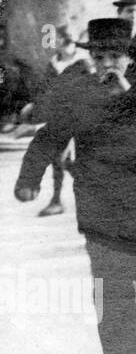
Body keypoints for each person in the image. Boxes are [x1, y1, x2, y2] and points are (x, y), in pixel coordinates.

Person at [14, 19, 136, 354]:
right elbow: (50, 137)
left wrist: (129, 96)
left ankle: (132, 341)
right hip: (98, 203)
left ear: (129, 58)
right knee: (108, 285)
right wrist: (30, 178)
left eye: (115, 56)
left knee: (127, 276)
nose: (107, 63)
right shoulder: (77, 95)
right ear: (90, 58)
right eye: (100, 56)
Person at [24, 25, 93, 217]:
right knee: (60, 159)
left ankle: (94, 196)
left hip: (79, 119)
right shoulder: (53, 64)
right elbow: (45, 91)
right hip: (58, 118)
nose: (65, 43)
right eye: (62, 39)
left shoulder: (83, 64)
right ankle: (58, 200)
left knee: (66, 160)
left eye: (69, 39)